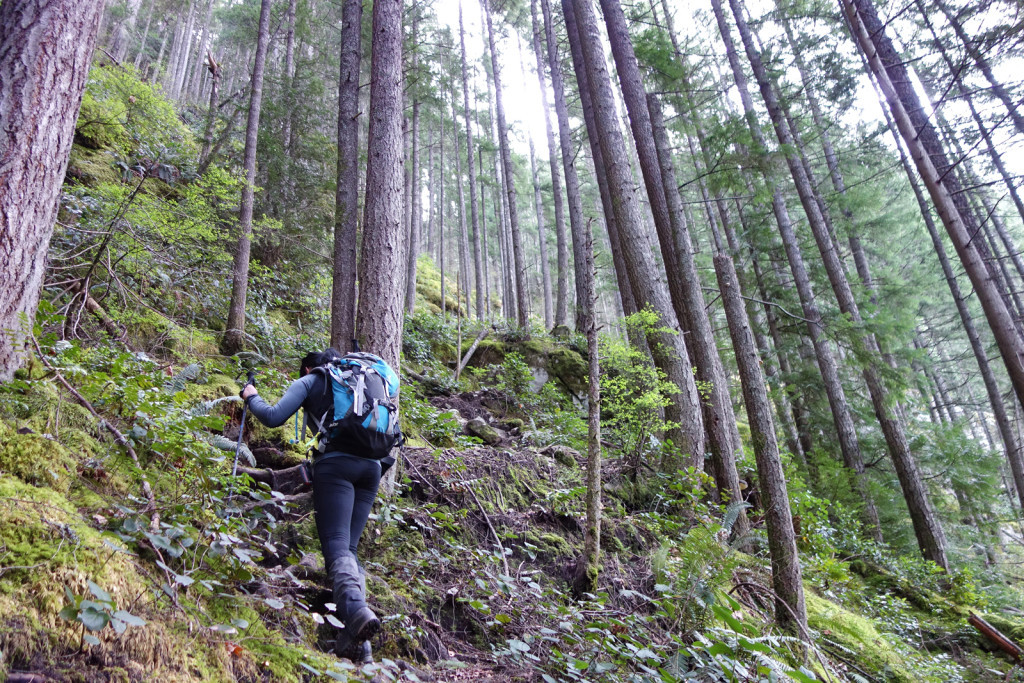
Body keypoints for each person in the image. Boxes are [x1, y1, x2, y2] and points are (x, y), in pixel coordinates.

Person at [241, 348, 390, 663]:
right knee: (349, 551)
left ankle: (357, 610)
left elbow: (272, 417)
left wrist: (251, 395)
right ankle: (359, 646)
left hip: (335, 465)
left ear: (308, 367)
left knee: (336, 547)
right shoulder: (362, 380)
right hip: (373, 468)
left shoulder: (312, 379)